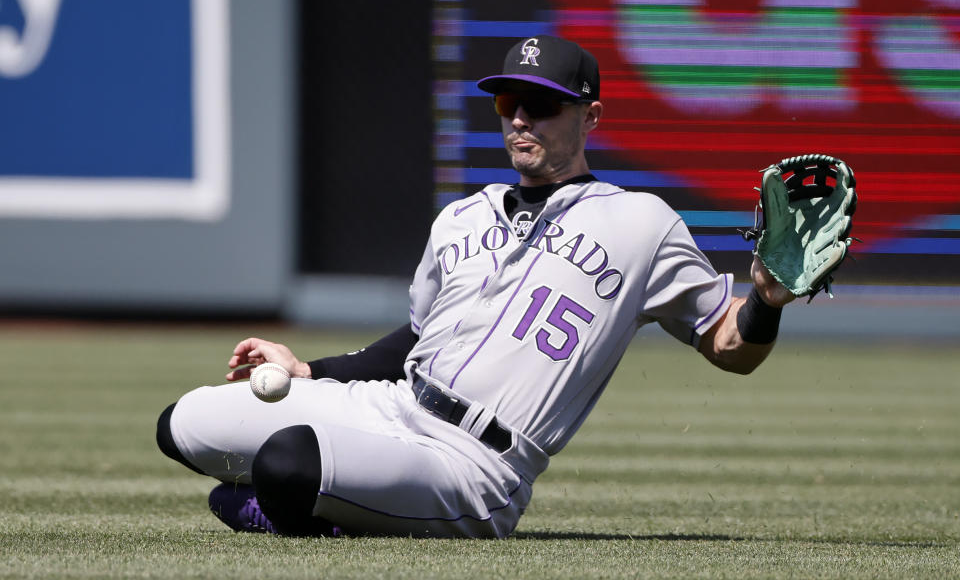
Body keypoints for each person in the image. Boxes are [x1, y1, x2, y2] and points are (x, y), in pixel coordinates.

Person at [156, 35, 794, 538]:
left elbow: (730, 345)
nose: (520, 119)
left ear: (590, 116)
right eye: (507, 103)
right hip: (395, 407)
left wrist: (766, 298)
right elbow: (414, 341)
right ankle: (329, 497)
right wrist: (309, 370)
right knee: (181, 424)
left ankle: (303, 502)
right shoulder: (461, 216)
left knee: (285, 462)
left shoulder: (642, 223)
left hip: (474, 465)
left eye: (541, 105)